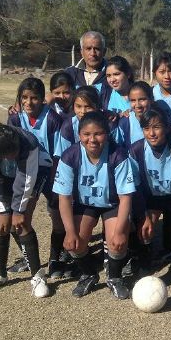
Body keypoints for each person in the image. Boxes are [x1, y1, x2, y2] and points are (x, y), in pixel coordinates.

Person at [52, 111, 137, 298]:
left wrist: (120, 231)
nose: (92, 139)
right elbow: (64, 197)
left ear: (107, 134)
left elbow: (125, 198)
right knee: (74, 243)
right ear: (79, 135)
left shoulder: (118, 155)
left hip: (112, 204)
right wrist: (70, 231)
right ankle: (89, 274)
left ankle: (114, 277)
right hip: (85, 204)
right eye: (86, 134)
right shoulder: (70, 156)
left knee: (117, 242)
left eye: (98, 134)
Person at [0, 122, 51, 298]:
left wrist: (18, 211)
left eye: (13, 153)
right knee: (1, 223)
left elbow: (26, 179)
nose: (10, 157)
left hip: (36, 171)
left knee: (21, 222)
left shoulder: (29, 143)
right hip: (6, 175)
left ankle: (38, 276)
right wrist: (2, 210)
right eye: (6, 156)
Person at [127, 106, 171, 304]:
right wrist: (143, 216)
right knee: (144, 228)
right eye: (147, 128)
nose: (152, 133)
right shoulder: (136, 149)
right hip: (152, 198)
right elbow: (135, 187)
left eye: (156, 127)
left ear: (166, 127)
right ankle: (143, 269)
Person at [7, 77, 67, 278]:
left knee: (58, 218)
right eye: (24, 97)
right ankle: (28, 258)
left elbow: (58, 154)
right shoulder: (15, 119)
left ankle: (55, 259)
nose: (28, 102)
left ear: (43, 99)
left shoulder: (53, 120)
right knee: (19, 217)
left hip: (50, 172)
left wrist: (55, 180)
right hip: (26, 173)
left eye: (34, 98)